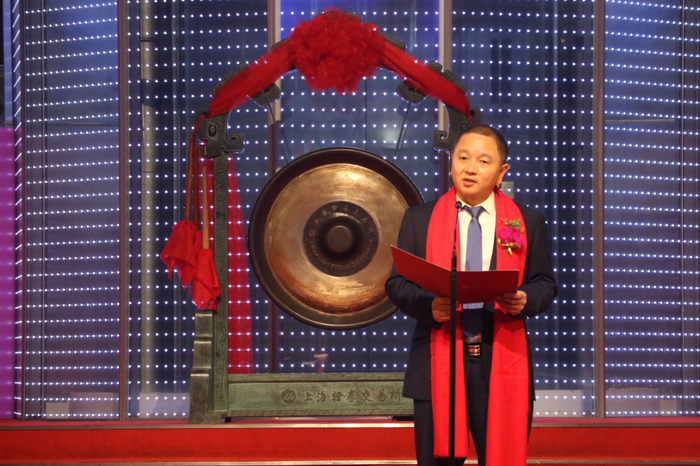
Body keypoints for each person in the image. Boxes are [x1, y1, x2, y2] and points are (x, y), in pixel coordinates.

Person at [385, 124, 558, 466]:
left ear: (501, 171)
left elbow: (545, 283)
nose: (470, 168)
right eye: (462, 158)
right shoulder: (420, 219)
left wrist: (525, 299)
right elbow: (397, 284)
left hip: (501, 359)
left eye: (483, 161)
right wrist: (429, 305)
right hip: (437, 359)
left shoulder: (527, 220)